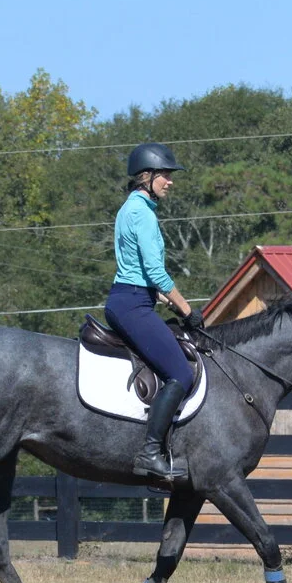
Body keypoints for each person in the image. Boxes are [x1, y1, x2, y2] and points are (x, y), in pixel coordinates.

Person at [108, 141, 198, 483]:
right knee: (181, 374)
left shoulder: (135, 208)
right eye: (165, 175)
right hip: (131, 304)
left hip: (134, 299)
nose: (170, 181)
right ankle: (149, 454)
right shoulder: (140, 213)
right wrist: (187, 309)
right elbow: (157, 272)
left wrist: (160, 297)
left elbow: (142, 273)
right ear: (146, 176)